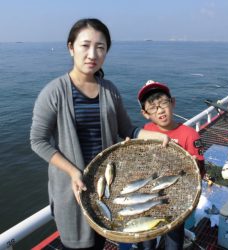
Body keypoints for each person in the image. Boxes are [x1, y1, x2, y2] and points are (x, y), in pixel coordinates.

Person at [30, 19, 169, 249]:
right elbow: (38, 141)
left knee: (99, 241)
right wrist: (73, 171)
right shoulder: (53, 92)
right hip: (71, 188)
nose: (92, 54)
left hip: (104, 186)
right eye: (85, 45)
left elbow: (127, 130)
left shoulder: (109, 90)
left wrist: (155, 135)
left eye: (101, 47)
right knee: (76, 244)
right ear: (71, 47)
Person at [135, 80, 205, 250]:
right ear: (145, 113)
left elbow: (200, 171)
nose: (160, 110)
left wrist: (192, 166)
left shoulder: (190, 135)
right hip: (151, 193)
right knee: (146, 238)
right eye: (153, 107)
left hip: (177, 198)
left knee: (174, 239)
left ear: (172, 103)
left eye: (163, 103)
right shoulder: (146, 129)